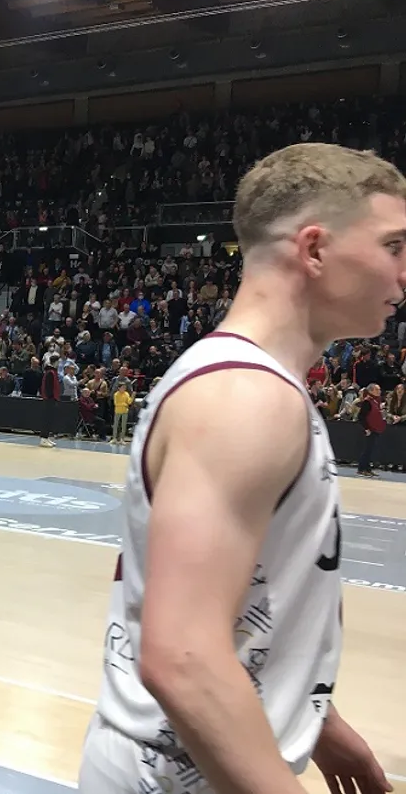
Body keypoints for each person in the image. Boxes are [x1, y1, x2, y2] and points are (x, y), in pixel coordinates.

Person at [78, 143, 402, 793]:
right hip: (178, 771)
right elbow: (183, 657)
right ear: (314, 250)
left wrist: (315, 720)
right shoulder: (246, 398)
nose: (403, 272)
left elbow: (237, 607)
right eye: (393, 245)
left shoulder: (242, 381)